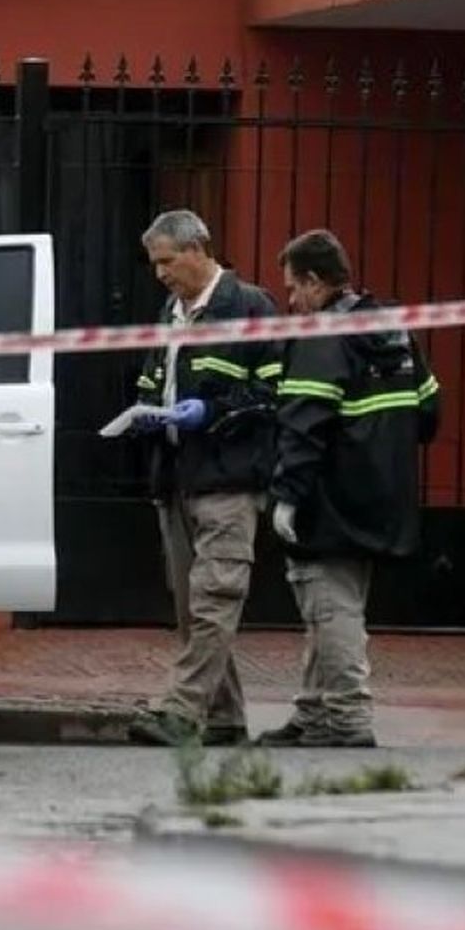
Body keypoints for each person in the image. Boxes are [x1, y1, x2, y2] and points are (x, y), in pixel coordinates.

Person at [260, 230, 439, 748]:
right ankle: (314, 716)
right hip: (384, 496)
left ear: (316, 282)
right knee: (331, 604)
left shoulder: (323, 337)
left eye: (294, 288)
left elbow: (303, 424)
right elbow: (428, 412)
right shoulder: (392, 329)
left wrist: (288, 495)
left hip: (329, 500)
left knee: (331, 608)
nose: (292, 301)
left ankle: (347, 719)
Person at [125, 210, 283, 747]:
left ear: (200, 249)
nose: (161, 273)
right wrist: (147, 410)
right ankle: (224, 717)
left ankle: (180, 711)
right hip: (176, 479)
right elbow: (152, 379)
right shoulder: (170, 313)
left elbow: (272, 395)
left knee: (215, 599)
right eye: (155, 264)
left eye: (168, 261)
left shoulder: (251, 308)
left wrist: (210, 412)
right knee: (192, 610)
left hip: (228, 481)